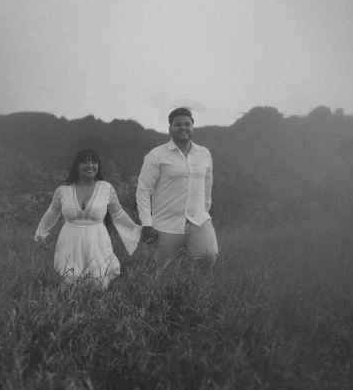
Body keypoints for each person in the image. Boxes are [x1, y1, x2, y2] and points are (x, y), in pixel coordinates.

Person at [35, 149, 141, 289]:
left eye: (94, 162)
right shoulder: (63, 190)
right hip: (69, 243)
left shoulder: (106, 188)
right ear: (77, 166)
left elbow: (118, 214)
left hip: (98, 243)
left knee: (99, 285)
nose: (90, 165)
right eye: (85, 162)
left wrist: (139, 231)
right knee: (69, 286)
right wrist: (41, 233)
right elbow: (52, 213)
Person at [136, 107, 218, 272]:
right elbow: (143, 190)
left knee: (208, 256)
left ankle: (193, 289)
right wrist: (146, 223)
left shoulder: (204, 154)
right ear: (170, 128)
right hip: (166, 224)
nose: (183, 127)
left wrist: (205, 212)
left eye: (187, 124)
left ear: (192, 127)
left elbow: (207, 187)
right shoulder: (157, 155)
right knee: (166, 274)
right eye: (178, 124)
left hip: (198, 220)